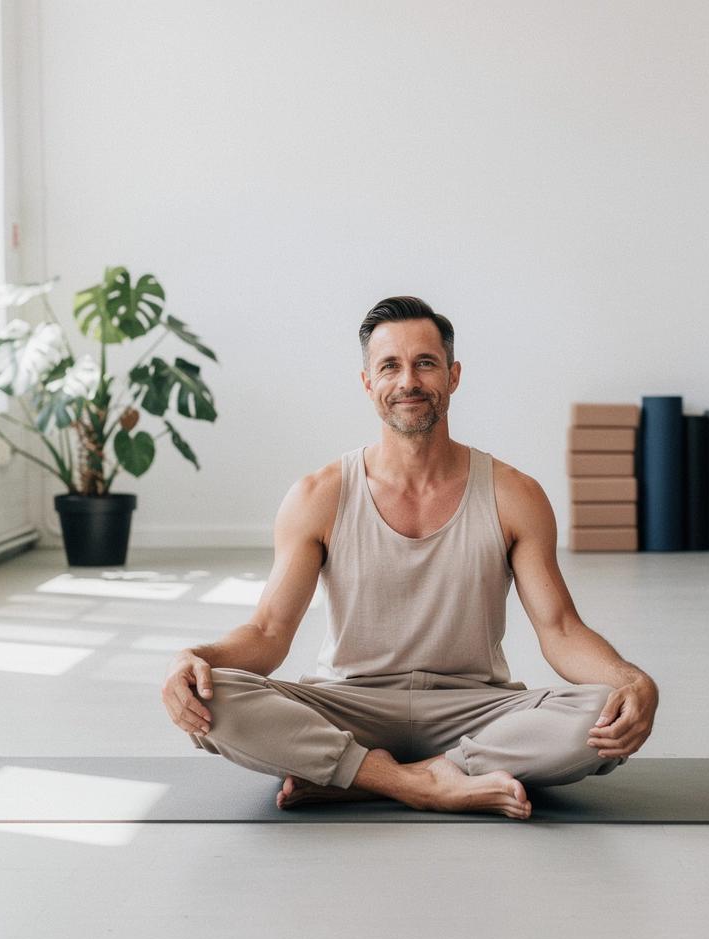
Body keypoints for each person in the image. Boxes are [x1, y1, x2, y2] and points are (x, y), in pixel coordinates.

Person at [162, 296, 659, 820]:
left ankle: (359, 776)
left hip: (471, 708)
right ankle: (420, 781)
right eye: (390, 366)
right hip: (348, 705)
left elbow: (559, 629)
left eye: (425, 363)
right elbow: (267, 634)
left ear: (453, 375)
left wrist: (630, 680)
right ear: (367, 383)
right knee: (214, 699)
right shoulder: (318, 495)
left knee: (600, 714)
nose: (409, 382)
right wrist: (192, 658)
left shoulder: (516, 494)